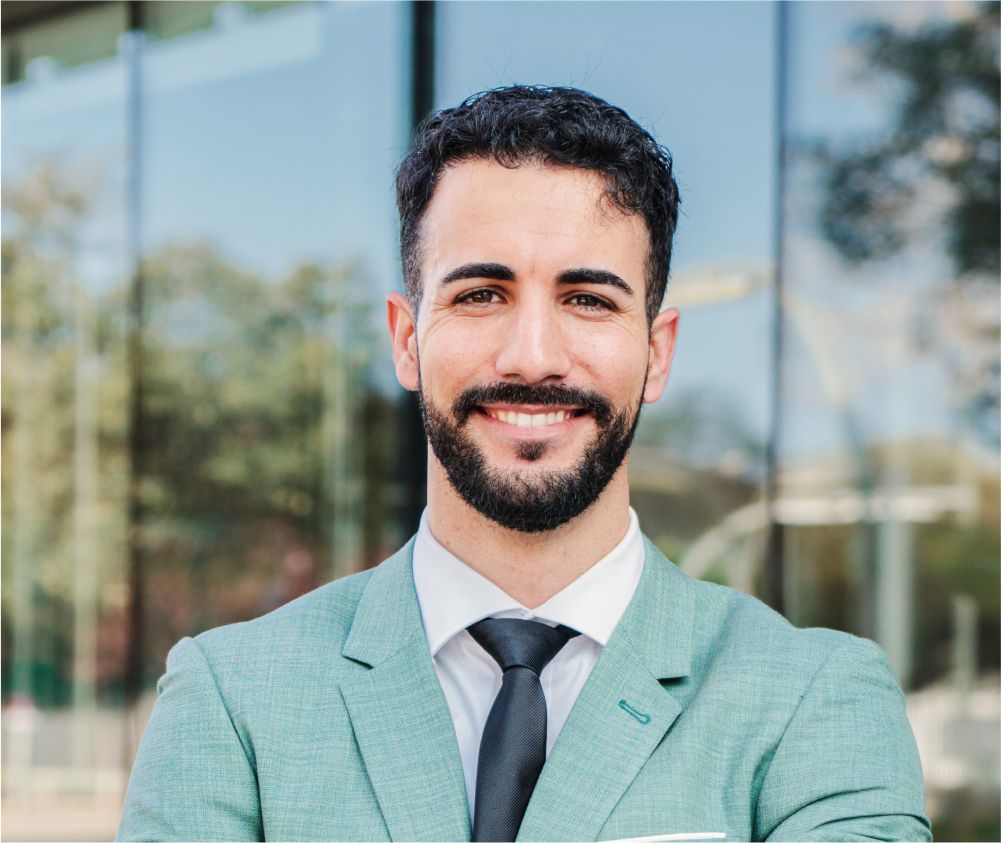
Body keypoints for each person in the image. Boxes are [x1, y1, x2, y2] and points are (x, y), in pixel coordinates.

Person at [117, 85, 931, 842]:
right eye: (480, 294)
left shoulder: (815, 698)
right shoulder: (231, 699)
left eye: (587, 299)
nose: (533, 356)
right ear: (406, 339)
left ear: (656, 352)